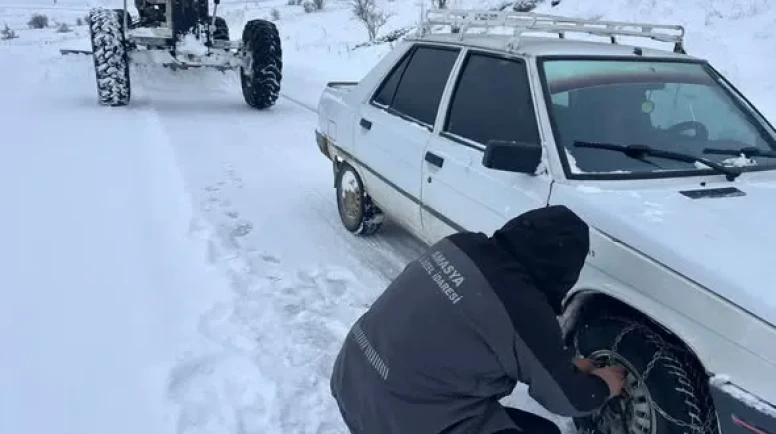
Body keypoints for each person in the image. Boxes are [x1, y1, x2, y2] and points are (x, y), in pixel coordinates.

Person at [329, 204, 627, 434]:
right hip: (399, 419)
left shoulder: (460, 244)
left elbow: (479, 327)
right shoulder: (524, 308)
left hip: (351, 378)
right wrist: (603, 384)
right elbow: (570, 400)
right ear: (563, 273)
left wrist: (562, 368)